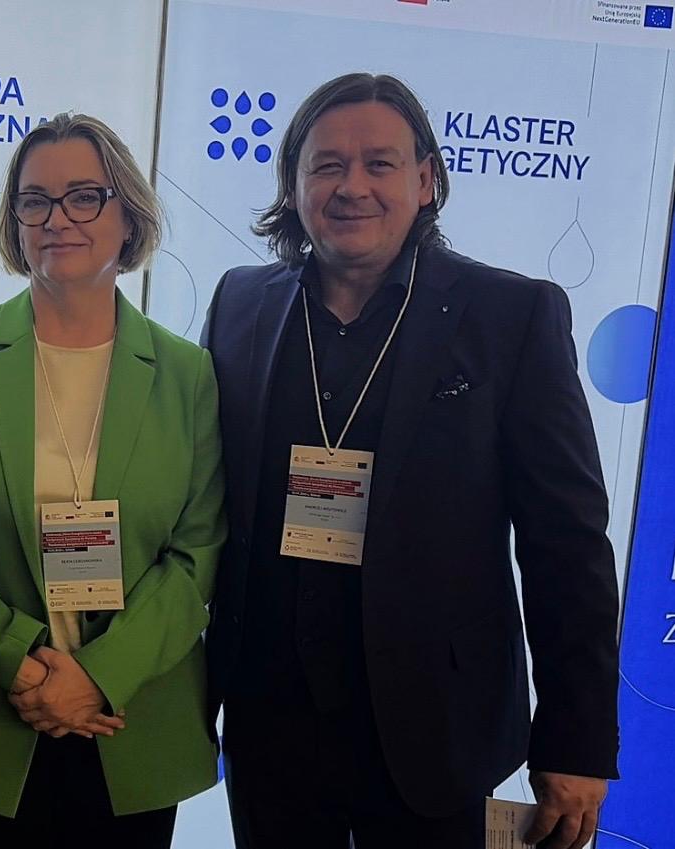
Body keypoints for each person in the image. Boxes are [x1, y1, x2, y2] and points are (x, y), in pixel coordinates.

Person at [202, 73, 619, 849]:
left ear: (426, 179)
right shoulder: (240, 304)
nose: (352, 186)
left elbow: (567, 544)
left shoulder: (511, 315)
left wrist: (576, 738)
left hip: (435, 725)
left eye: (380, 164)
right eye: (327, 165)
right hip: (270, 721)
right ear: (293, 183)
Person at [0, 112, 226, 848]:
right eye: (35, 200)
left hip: (128, 722)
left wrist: (98, 675)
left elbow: (197, 552)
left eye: (84, 196)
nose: (56, 219)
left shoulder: (186, 372)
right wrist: (20, 661)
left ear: (128, 214)